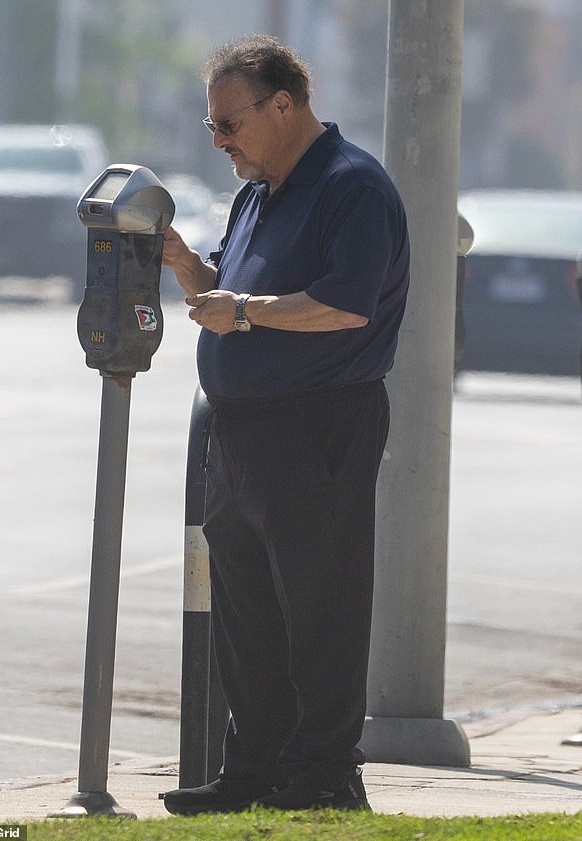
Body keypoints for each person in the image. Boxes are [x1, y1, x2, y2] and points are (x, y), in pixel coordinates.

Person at [161, 34, 410, 814]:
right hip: (240, 432)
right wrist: (185, 265)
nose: (221, 141)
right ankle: (253, 771)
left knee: (320, 609)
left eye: (229, 124)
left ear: (284, 104)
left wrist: (237, 311)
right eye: (212, 128)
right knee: (248, 615)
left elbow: (343, 303)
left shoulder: (351, 187)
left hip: (319, 426)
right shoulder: (258, 192)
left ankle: (324, 776)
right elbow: (239, 288)